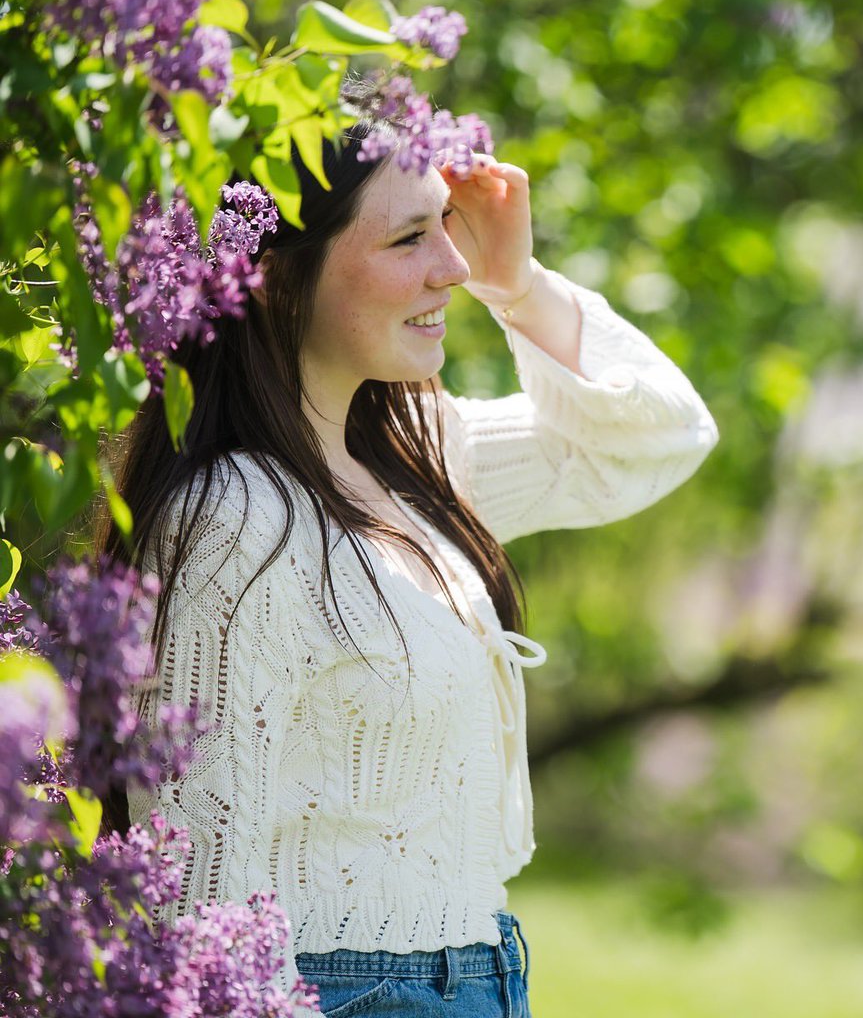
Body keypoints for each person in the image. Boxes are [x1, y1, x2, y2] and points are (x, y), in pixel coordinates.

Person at [98, 111, 719, 1018]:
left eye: (447, 226)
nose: (453, 267)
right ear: (271, 278)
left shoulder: (418, 459)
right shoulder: (238, 518)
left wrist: (519, 285)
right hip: (343, 994)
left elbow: (658, 440)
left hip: (482, 973)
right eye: (408, 238)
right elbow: (200, 889)